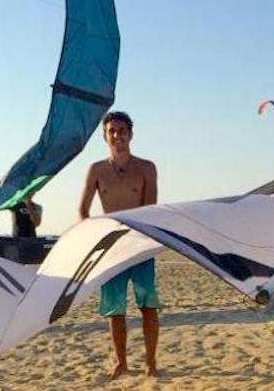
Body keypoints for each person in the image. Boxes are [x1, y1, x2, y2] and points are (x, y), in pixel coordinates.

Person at [79, 111, 159, 379]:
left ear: (131, 135)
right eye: (112, 131)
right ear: (105, 136)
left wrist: (141, 241)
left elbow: (150, 210)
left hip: (140, 244)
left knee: (148, 306)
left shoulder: (147, 168)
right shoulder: (96, 170)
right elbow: (83, 210)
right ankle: (122, 362)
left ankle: (151, 362)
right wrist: (93, 238)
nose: (117, 136)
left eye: (122, 130)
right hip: (111, 247)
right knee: (115, 310)